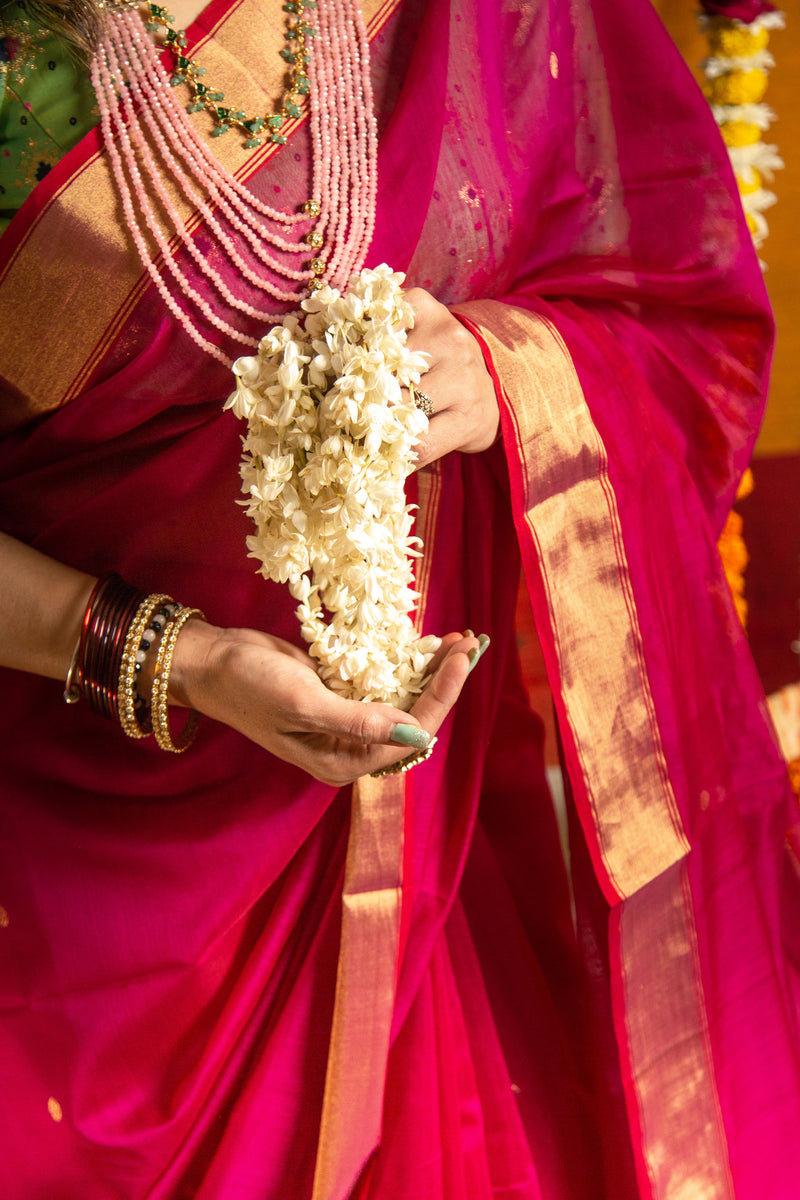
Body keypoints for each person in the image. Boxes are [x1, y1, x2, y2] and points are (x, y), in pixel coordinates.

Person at [0, 0, 798, 1196]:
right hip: (70, 842)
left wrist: (502, 370)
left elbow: (672, 307)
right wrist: (178, 658)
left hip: (423, 830)